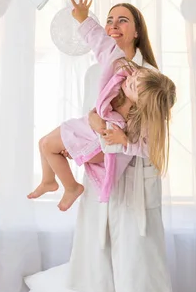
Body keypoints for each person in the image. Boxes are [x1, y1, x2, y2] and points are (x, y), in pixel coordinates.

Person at [65, 0, 175, 292]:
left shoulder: (150, 80)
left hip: (135, 183)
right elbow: (95, 115)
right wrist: (94, 124)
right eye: (110, 19)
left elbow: (153, 141)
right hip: (100, 178)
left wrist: (119, 138)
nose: (113, 24)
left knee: (137, 274)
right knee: (103, 272)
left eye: (122, 19)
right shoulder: (103, 67)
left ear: (137, 30)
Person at [28, 40, 175, 211]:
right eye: (135, 76)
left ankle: (71, 188)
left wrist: (125, 141)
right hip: (85, 126)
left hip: (97, 140)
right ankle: (48, 181)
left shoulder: (140, 121)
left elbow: (148, 149)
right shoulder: (120, 83)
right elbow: (106, 49)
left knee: (48, 146)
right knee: (43, 143)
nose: (129, 80)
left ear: (141, 103)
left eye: (133, 85)